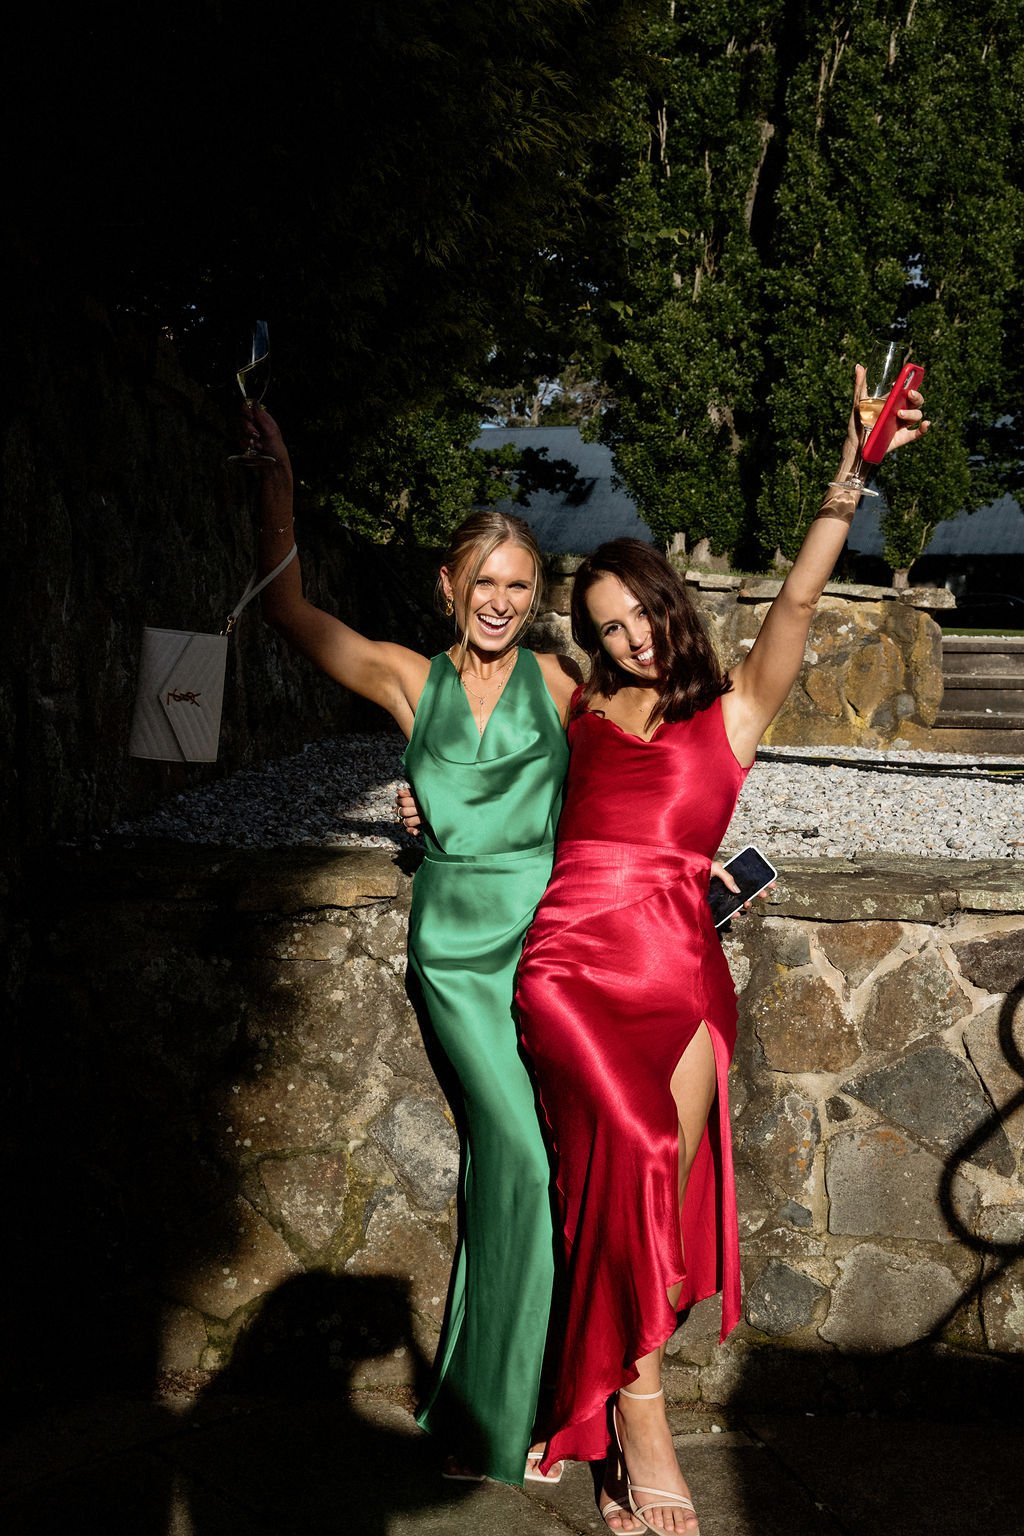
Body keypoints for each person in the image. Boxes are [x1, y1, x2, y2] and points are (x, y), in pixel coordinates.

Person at [514, 368, 929, 1533]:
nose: (629, 637)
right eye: (606, 628)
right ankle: (639, 1417)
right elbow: (460, 713)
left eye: (639, 615)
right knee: (637, 1148)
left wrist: (850, 478)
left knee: (654, 1205)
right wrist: (418, 805)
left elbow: (795, 602)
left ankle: (605, 1423)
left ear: (670, 604)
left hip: (682, 970)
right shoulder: (573, 707)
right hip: (569, 969)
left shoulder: (732, 712)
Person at [242, 405, 580, 1485]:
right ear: (448, 585)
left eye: (518, 584)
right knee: (520, 1154)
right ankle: (511, 1412)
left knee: (534, 1159)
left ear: (537, 594)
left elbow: (644, 769)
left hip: (547, 942)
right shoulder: (409, 680)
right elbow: (289, 612)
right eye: (483, 581)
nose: (500, 600)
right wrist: (279, 487)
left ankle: (503, 1399)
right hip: (458, 953)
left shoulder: (563, 686)